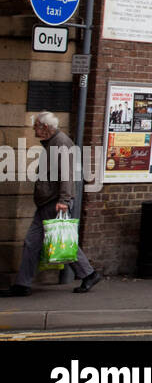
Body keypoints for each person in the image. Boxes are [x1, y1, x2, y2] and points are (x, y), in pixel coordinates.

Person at [0, 112, 101, 297]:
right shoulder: (53, 142)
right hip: (46, 202)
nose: (34, 130)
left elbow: (67, 175)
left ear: (44, 127)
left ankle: (89, 274)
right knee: (32, 243)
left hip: (54, 202)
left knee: (62, 240)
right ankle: (22, 284)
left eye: (36, 127)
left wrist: (64, 201)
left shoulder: (61, 143)